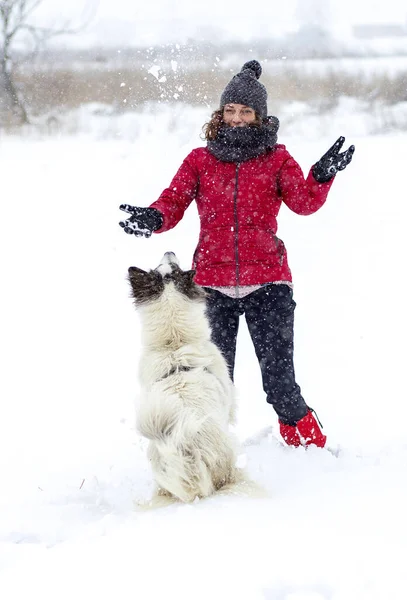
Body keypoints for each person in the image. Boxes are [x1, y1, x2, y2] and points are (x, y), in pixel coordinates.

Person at [119, 60, 355, 449]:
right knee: (210, 385)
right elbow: (173, 201)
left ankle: (311, 450)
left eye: (245, 112)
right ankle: (205, 452)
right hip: (212, 288)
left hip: (269, 284)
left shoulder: (277, 159)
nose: (237, 118)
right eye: (230, 110)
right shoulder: (200, 160)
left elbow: (303, 202)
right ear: (220, 113)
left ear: (259, 117)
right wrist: (153, 217)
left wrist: (321, 175)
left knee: (280, 386)